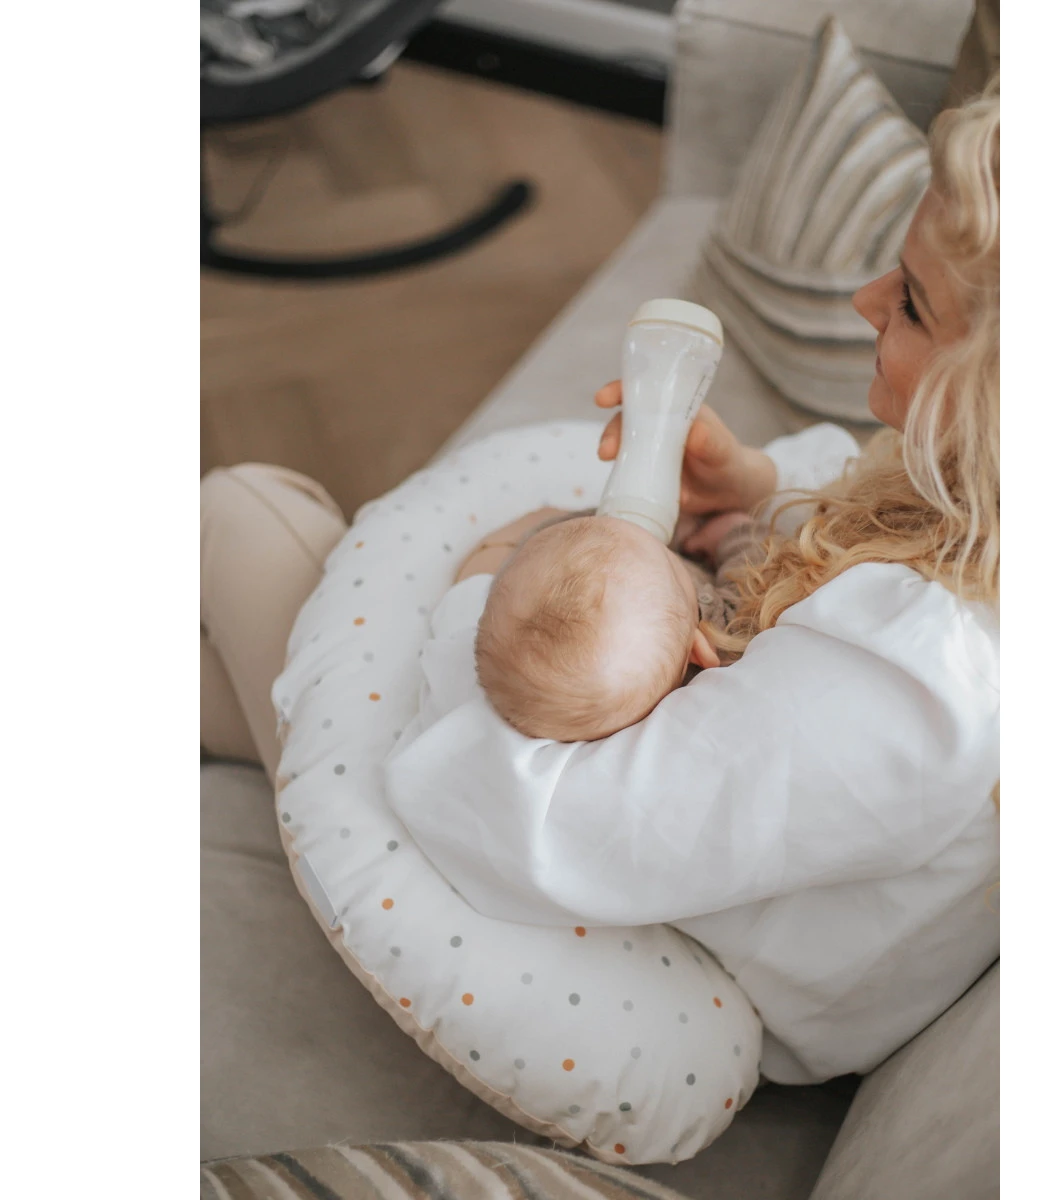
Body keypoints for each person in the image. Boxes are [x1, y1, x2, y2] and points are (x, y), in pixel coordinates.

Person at [202, 81, 999, 1088]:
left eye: (913, 303)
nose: (867, 301)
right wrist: (755, 488)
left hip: (650, 954)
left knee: (241, 510)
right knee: (243, 598)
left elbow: (517, 819)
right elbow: (865, 509)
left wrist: (485, 588)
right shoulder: (979, 512)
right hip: (668, 875)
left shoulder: (915, 683)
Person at [469, 504, 770, 742]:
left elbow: (571, 534)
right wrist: (730, 532)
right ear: (699, 652)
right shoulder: (723, 629)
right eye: (668, 557)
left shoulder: (541, 560)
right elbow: (759, 566)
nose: (665, 546)